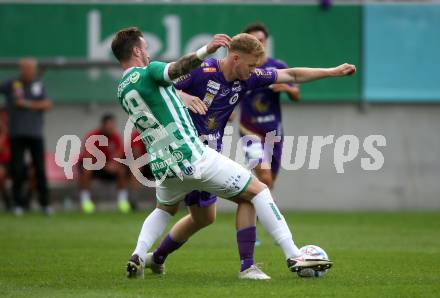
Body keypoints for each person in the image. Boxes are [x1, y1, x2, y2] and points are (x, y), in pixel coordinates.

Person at [111, 27, 354, 279]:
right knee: (255, 192)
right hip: (195, 154)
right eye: (250, 64)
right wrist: (182, 95)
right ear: (235, 58)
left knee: (200, 216)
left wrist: (332, 71)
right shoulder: (201, 71)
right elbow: (170, 79)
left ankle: (150, 257)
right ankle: (274, 260)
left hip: (176, 161)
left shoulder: (246, 78)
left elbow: (290, 74)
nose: (253, 70)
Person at [240, 23, 300, 190]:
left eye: (262, 40)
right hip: (249, 130)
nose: (259, 44)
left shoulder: (278, 67)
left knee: (269, 182)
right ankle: (266, 213)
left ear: (266, 42)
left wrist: (287, 88)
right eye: (254, 41)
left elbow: (296, 95)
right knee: (264, 178)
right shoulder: (242, 69)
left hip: (273, 130)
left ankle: (258, 212)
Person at [0, 58, 53, 215]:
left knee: (40, 169)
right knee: (16, 169)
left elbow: (47, 104)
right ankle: (17, 204)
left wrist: (27, 104)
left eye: (32, 69)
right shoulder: (11, 84)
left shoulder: (38, 84)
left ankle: (45, 204)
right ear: (21, 69)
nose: (29, 72)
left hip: (35, 133)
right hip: (16, 133)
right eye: (26, 69)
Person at [78, 113, 130, 213]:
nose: (111, 128)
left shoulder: (116, 137)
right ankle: (85, 201)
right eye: (108, 125)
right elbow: (88, 157)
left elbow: (119, 155)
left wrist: (114, 165)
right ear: (103, 125)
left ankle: (122, 201)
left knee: (122, 171)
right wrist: (104, 165)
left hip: (108, 167)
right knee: (86, 169)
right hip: (94, 166)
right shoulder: (93, 136)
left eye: (112, 125)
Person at [0, 109, 11, 210]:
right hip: (3, 163)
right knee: (1, 173)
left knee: (34, 172)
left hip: (16, 162)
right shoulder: (2, 133)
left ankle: (25, 201)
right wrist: (4, 132)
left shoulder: (17, 132)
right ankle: (7, 200)